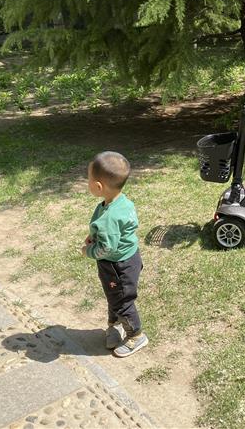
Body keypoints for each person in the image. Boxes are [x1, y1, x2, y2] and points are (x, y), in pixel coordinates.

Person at [81, 151, 147, 357]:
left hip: (118, 266)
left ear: (99, 187)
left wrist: (89, 251)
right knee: (114, 296)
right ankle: (114, 325)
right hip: (128, 258)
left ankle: (136, 335)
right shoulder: (120, 202)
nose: (88, 183)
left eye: (89, 179)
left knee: (121, 301)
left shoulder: (109, 217)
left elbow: (107, 248)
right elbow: (113, 231)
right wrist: (94, 236)